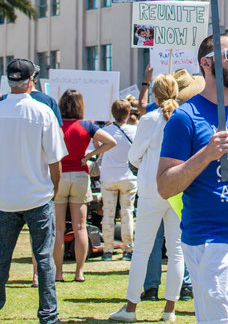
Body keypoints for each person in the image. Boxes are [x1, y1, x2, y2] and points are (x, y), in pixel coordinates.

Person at [157, 33, 228, 324]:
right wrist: (206, 155)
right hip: (210, 241)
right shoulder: (185, 117)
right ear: (206, 63)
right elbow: (164, 185)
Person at [0, 57, 67, 324]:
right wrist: (54, 190)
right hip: (37, 196)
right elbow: (55, 161)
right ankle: (48, 316)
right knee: (43, 259)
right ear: (32, 80)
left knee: (1, 259)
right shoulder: (42, 112)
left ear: (9, 80)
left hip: (5, 198)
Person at [109, 74, 186, 323]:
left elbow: (133, 156)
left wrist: (144, 162)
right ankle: (170, 309)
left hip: (152, 188)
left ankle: (131, 308)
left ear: (155, 94)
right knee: (176, 250)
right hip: (177, 187)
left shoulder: (150, 120)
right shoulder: (184, 117)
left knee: (142, 249)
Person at [141, 68, 203, 303]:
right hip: (181, 185)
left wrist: (145, 83)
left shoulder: (155, 116)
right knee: (179, 242)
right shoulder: (192, 117)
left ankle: (151, 286)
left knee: (156, 240)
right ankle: (182, 289)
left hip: (157, 183)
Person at [54, 88, 116, 282]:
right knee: (80, 226)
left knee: (58, 229)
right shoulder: (87, 125)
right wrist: (90, 155)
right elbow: (111, 141)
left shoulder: (56, 125)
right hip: (80, 176)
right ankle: (79, 272)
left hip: (59, 175)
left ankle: (58, 272)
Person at [99, 98, 137, 262]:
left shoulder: (106, 131)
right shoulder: (135, 131)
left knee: (108, 213)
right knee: (127, 213)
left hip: (108, 176)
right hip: (128, 176)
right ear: (128, 114)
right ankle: (127, 249)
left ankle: (107, 250)